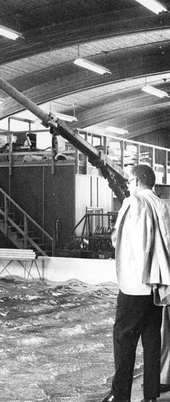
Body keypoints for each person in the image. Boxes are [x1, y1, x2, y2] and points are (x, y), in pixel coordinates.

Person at [102, 165, 170, 402]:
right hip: (158, 285)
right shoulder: (163, 205)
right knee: (152, 340)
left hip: (136, 284)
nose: (128, 186)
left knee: (123, 338)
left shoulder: (133, 202)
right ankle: (150, 396)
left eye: (129, 181)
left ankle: (120, 396)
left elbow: (119, 239)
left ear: (137, 181)